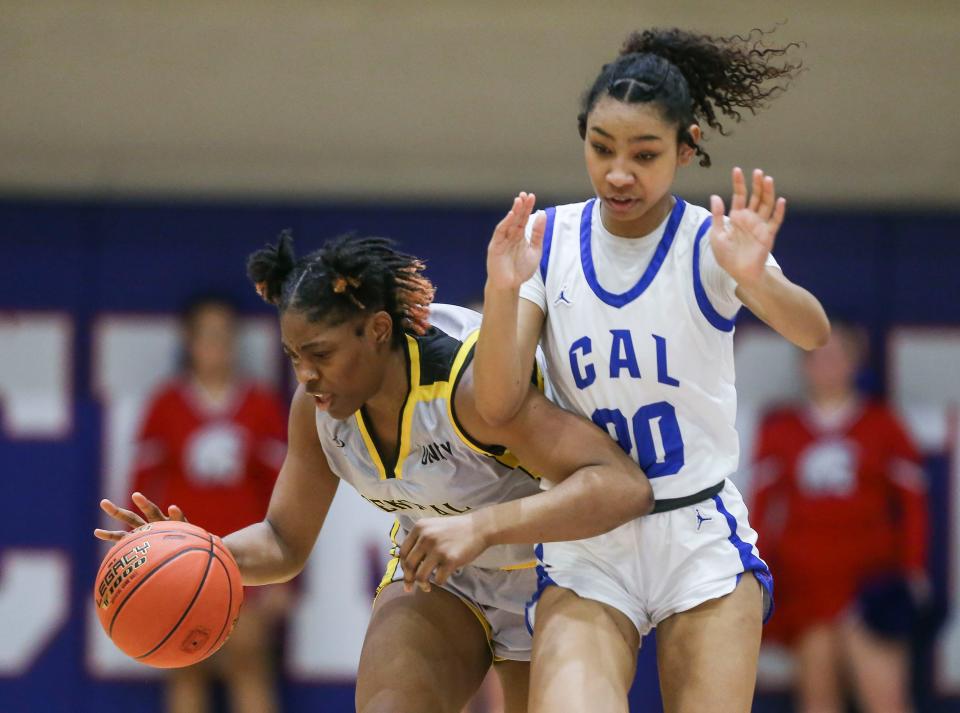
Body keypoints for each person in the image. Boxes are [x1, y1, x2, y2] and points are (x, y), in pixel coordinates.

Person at [96, 232, 654, 713]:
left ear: (379, 329)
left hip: (558, 567)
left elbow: (620, 486)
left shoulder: (467, 388)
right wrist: (195, 555)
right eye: (294, 356)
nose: (307, 375)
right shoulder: (314, 410)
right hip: (445, 576)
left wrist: (482, 527)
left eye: (321, 353)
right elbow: (286, 540)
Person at [474, 27, 831, 713]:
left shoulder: (710, 240)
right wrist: (499, 291)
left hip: (696, 533)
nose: (618, 172)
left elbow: (811, 331)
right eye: (601, 147)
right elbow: (495, 404)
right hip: (590, 535)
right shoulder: (549, 242)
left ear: (686, 149)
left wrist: (759, 279)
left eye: (644, 154)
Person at [751, 323, 928, 713]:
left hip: (869, 588)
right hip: (807, 586)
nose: (825, 365)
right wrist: (758, 573)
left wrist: (912, 571)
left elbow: (912, 506)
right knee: (817, 699)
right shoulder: (780, 429)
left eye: (836, 355)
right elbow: (762, 510)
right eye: (815, 355)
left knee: (885, 698)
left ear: (855, 361)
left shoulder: (883, 425)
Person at [129, 295, 289, 713]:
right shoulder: (166, 405)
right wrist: (139, 561)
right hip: (177, 563)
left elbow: (285, 494)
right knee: (184, 667)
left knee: (249, 666)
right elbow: (141, 492)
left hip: (246, 563)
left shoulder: (259, 404)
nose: (216, 346)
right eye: (207, 336)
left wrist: (283, 577)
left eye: (224, 335)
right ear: (189, 341)